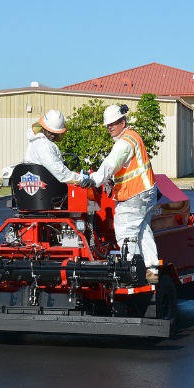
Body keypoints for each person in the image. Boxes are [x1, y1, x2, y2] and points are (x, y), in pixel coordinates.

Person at [81, 104, 159, 284]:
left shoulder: (125, 142)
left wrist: (95, 179)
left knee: (126, 231)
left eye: (113, 123)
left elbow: (111, 162)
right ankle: (152, 270)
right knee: (142, 231)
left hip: (135, 193)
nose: (110, 127)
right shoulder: (132, 137)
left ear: (123, 122)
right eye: (108, 124)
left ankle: (133, 272)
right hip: (145, 191)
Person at [24, 109, 85, 184]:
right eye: (50, 132)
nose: (53, 136)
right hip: (48, 190)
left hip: (36, 186)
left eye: (56, 133)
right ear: (43, 128)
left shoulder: (34, 141)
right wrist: (81, 179)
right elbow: (60, 172)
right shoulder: (45, 145)